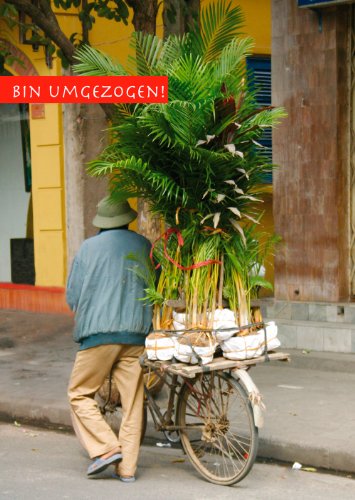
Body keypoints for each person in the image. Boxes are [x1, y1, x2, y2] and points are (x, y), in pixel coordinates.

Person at [67, 196, 152, 482]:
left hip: (99, 336)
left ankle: (105, 448)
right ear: (127, 219)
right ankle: (127, 468)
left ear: (101, 222)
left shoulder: (88, 248)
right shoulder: (143, 245)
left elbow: (72, 297)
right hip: (136, 335)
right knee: (133, 403)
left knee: (79, 393)